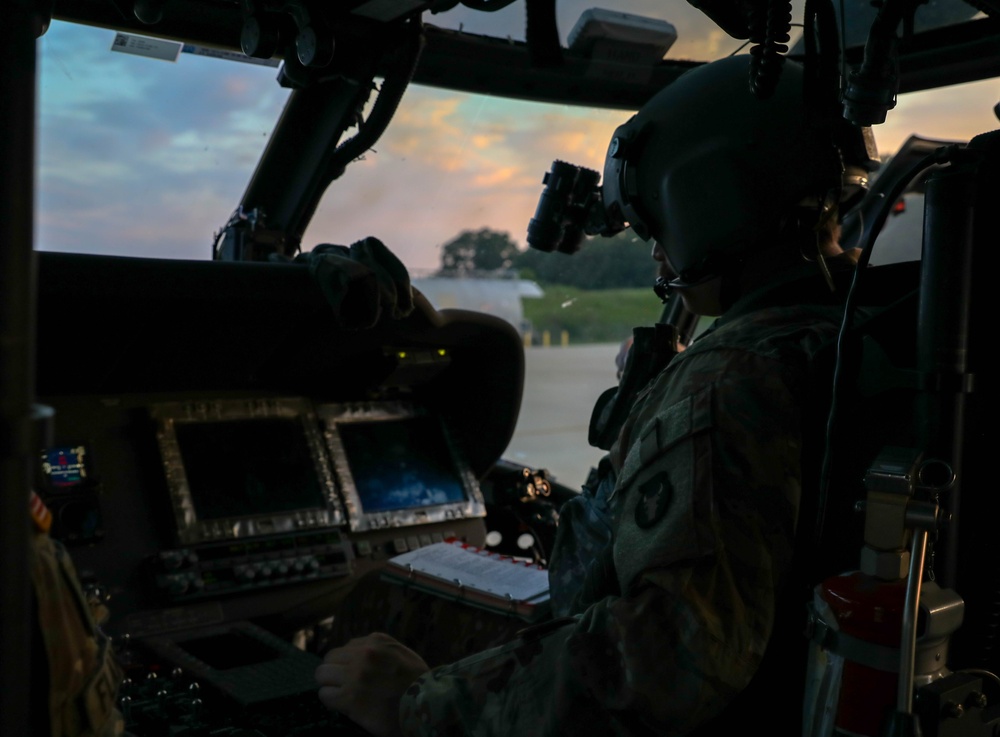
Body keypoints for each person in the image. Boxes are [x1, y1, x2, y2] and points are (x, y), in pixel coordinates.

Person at [315, 54, 878, 736]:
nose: (654, 253)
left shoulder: (729, 382)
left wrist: (418, 703)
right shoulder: (865, 331)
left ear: (704, 196)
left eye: (654, 226)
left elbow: (666, 657)